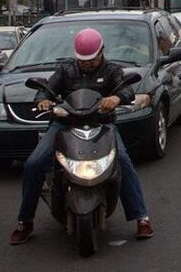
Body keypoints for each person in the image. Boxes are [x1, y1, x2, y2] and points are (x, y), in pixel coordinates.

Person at [10, 28, 154, 245]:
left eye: (91, 59)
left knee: (122, 160)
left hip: (102, 125)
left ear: (101, 51)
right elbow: (47, 89)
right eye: (82, 60)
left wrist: (116, 98)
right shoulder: (66, 69)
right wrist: (43, 99)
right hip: (64, 124)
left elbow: (126, 90)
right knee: (34, 163)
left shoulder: (113, 70)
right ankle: (25, 221)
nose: (86, 64)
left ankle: (141, 217)